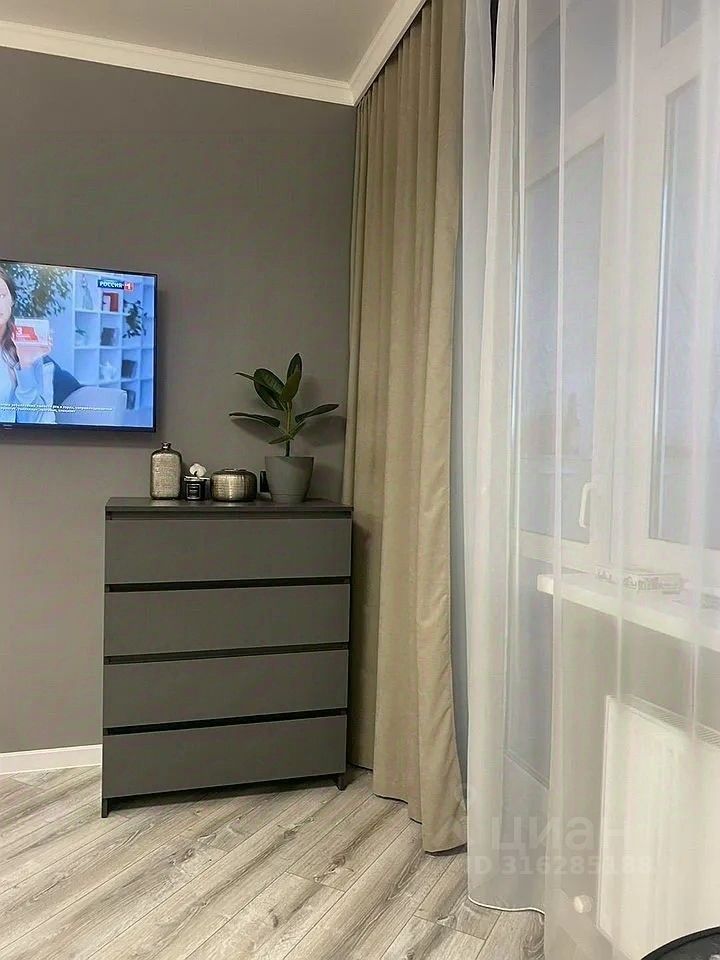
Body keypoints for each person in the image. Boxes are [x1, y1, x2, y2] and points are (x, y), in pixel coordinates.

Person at [0, 266, 79, 424]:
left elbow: (32, 420)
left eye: (1, 295)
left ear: (12, 300)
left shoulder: (26, 348)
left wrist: (26, 364)